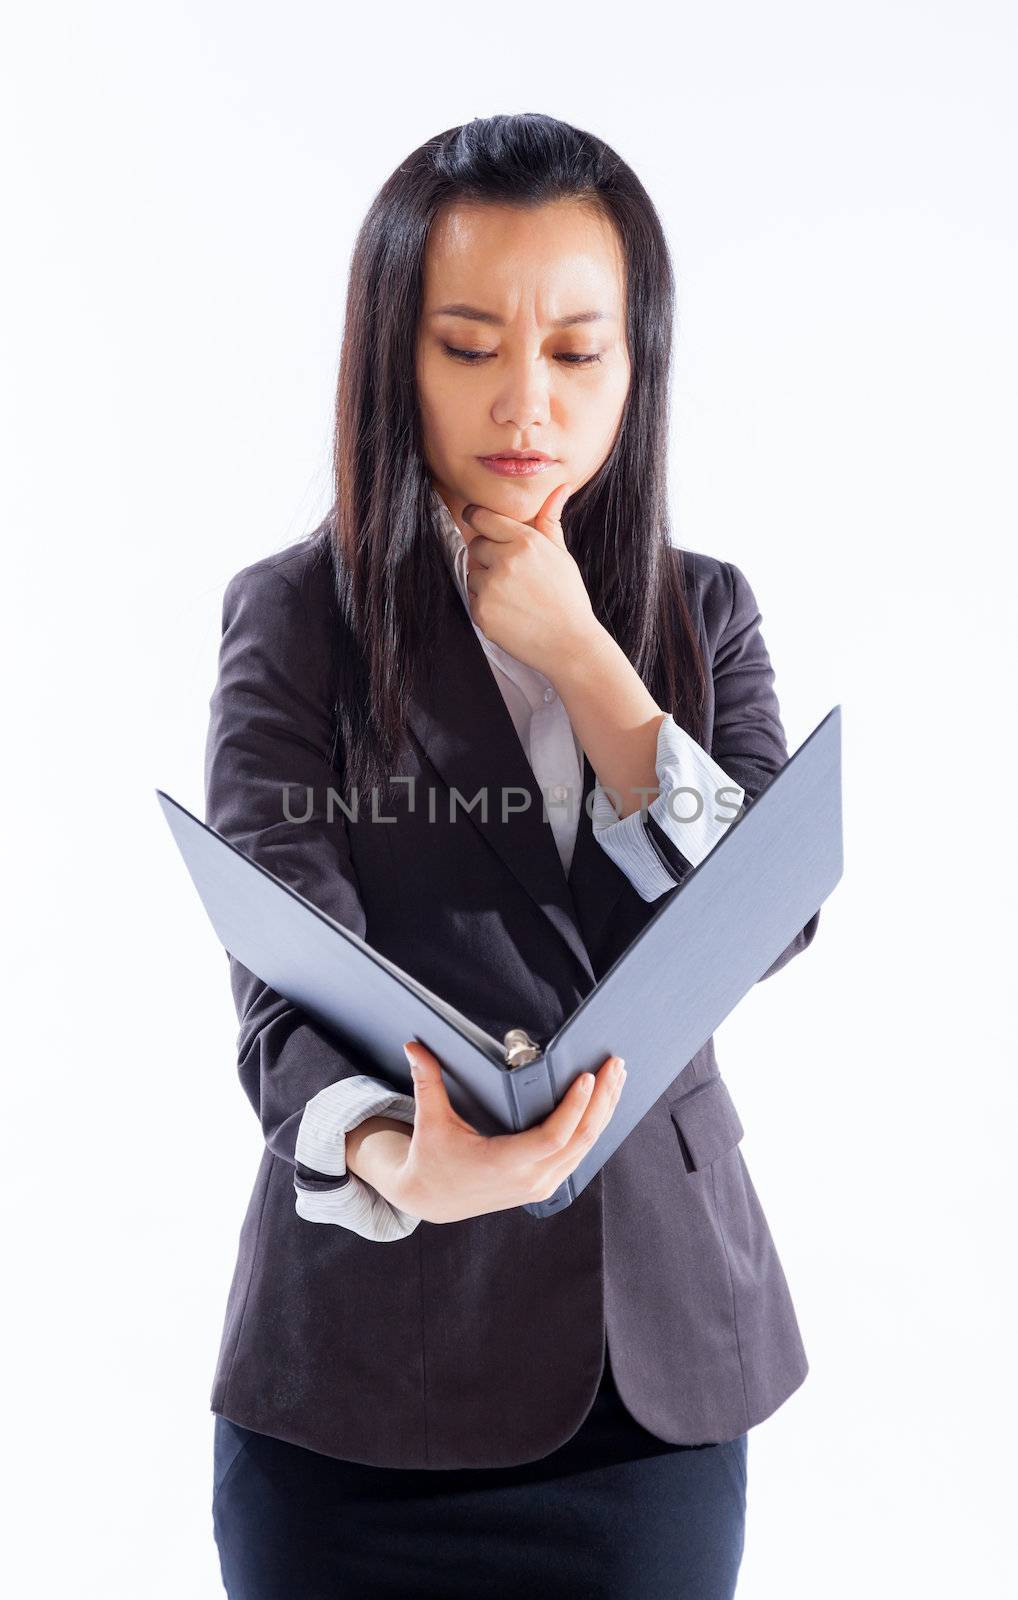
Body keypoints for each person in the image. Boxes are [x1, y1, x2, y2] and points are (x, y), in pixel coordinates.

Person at [205, 111, 821, 1600]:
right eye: (468, 344)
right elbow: (277, 952)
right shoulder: (298, 617)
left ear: (634, 366)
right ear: (392, 358)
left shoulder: (702, 615)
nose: (524, 401)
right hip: (359, 1362)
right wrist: (391, 1156)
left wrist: (592, 666)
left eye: (575, 350)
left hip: (647, 1375)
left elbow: (767, 914)